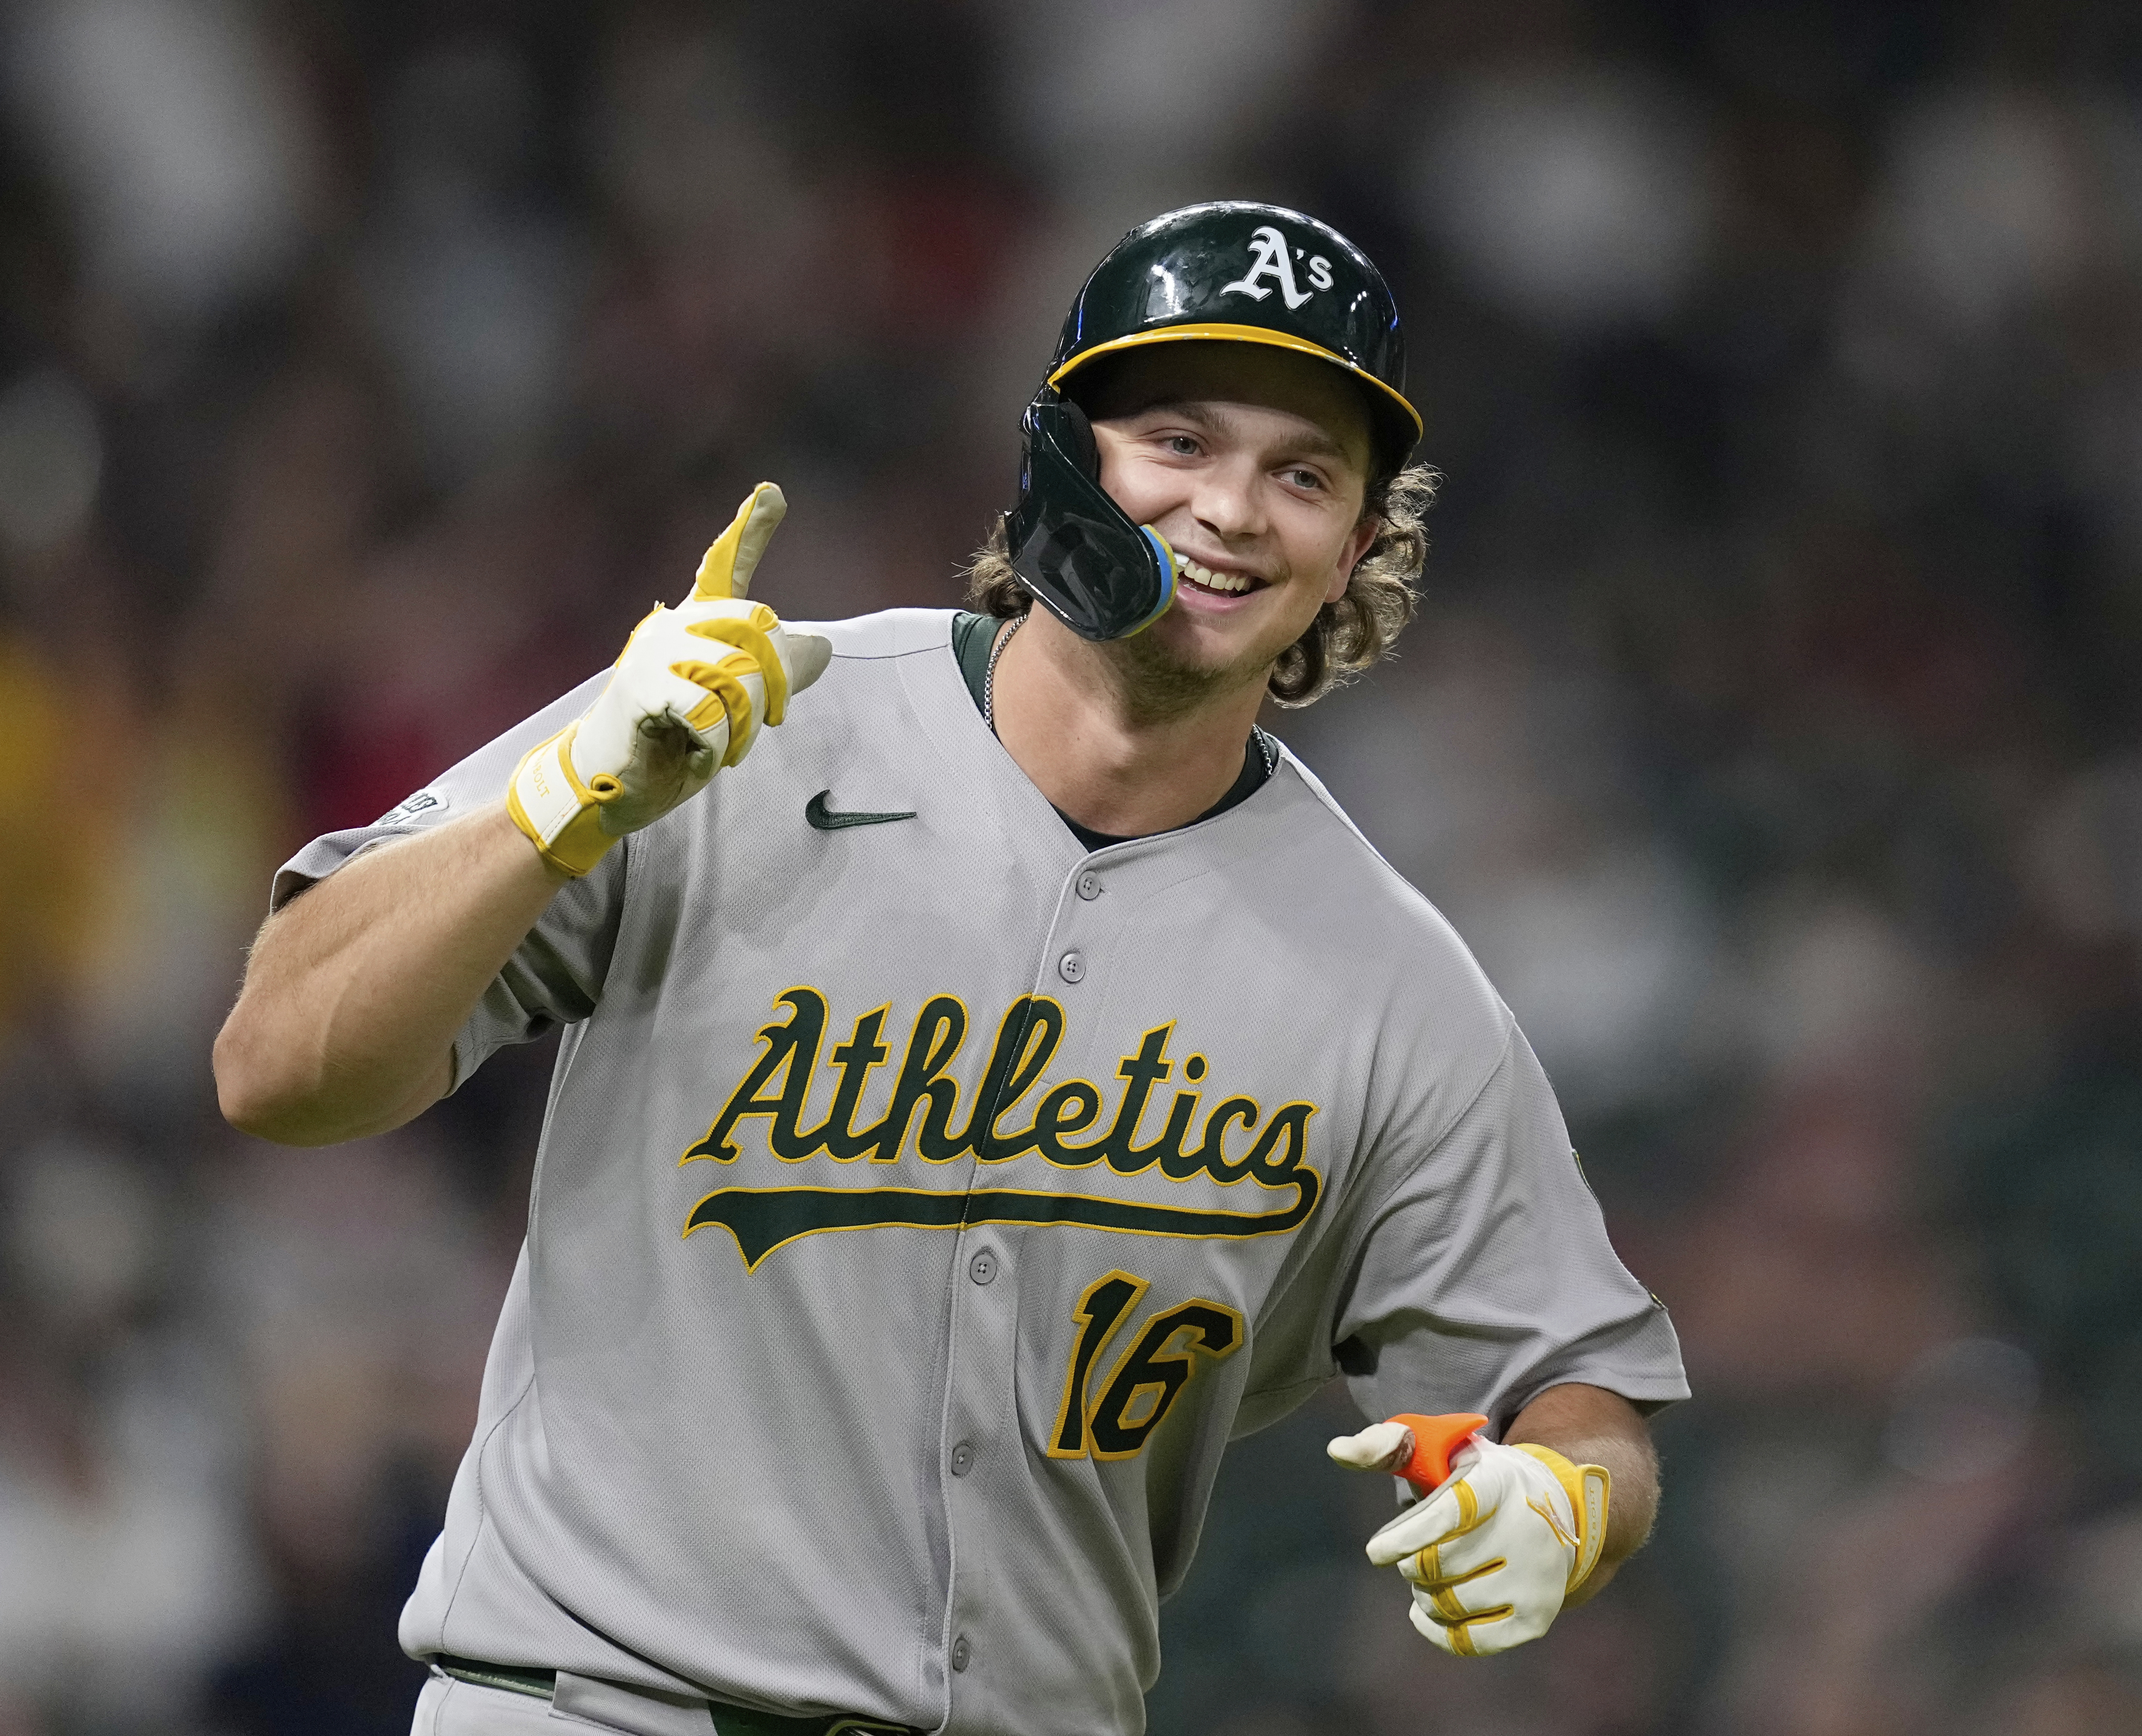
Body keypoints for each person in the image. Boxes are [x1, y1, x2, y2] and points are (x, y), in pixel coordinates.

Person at [214, 202, 1687, 1736]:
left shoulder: (1385, 977)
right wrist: (558, 803)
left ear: (1361, 550)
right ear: (1063, 455)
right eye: (1179, 440)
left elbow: (1576, 1390)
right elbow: (278, 1064)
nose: (1235, 510)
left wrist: (1564, 1505)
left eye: (1303, 473)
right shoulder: (746, 718)